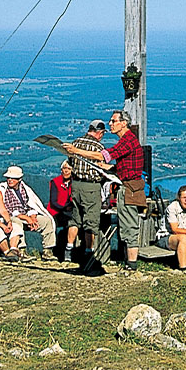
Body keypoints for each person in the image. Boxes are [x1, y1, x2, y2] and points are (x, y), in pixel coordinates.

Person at [66, 111, 144, 273]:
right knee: (126, 226)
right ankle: (129, 264)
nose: (110, 123)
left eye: (113, 121)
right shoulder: (128, 141)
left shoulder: (128, 140)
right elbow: (124, 165)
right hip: (127, 185)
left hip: (129, 188)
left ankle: (131, 265)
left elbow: (104, 155)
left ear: (124, 123)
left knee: (129, 227)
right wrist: (110, 169)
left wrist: (76, 151)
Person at [63, 120, 110, 276]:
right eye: (102, 134)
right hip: (91, 186)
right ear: (99, 132)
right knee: (91, 220)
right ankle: (89, 252)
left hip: (75, 185)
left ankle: (69, 249)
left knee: (75, 217)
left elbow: (70, 162)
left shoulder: (75, 143)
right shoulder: (98, 148)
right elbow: (102, 166)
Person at [0, 165, 56, 262]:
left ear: (19, 179)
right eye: (9, 178)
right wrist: (27, 219)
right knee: (16, 222)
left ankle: (47, 250)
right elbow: (10, 210)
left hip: (26, 215)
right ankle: (22, 251)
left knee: (47, 221)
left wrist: (33, 217)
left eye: (13, 178)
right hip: (13, 218)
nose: (10, 180)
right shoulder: (4, 190)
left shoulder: (24, 189)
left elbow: (30, 205)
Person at [47, 160, 76, 263]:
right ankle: (53, 251)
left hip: (69, 211)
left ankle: (71, 250)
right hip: (56, 211)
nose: (66, 171)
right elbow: (53, 201)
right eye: (64, 169)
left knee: (74, 223)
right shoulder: (55, 182)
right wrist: (64, 208)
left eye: (69, 169)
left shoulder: (75, 182)